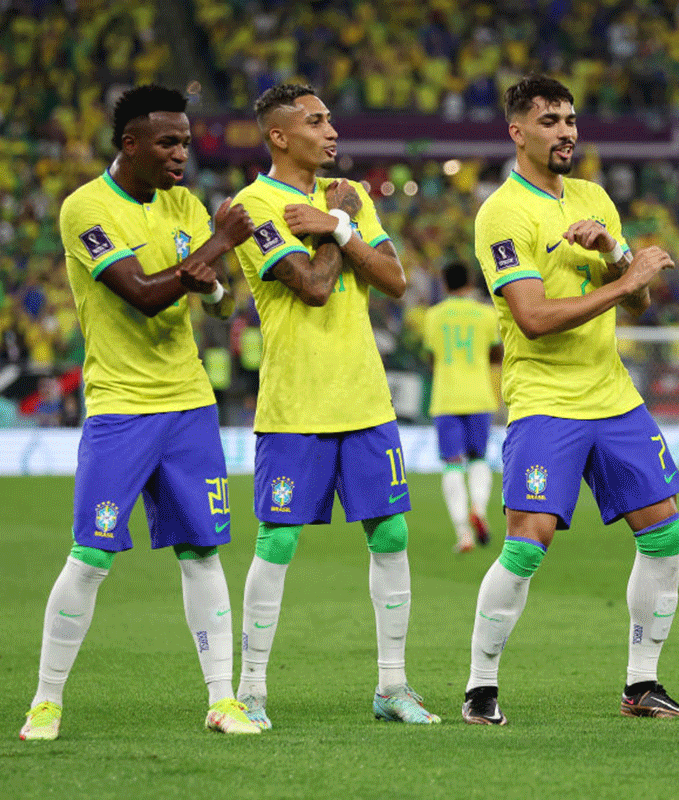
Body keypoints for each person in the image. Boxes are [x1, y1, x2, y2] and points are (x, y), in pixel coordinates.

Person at [19, 84, 257, 740]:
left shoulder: (182, 203)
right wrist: (219, 244)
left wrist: (214, 285)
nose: (183, 152)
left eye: (185, 139)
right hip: (121, 408)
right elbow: (144, 295)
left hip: (188, 406)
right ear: (131, 144)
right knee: (92, 555)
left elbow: (221, 303)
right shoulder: (86, 209)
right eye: (168, 142)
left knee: (202, 553)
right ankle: (46, 701)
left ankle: (221, 700)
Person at [463, 75, 679, 726]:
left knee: (665, 531)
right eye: (550, 121)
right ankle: (481, 688)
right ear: (518, 132)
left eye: (570, 119)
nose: (566, 131)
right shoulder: (504, 213)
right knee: (528, 543)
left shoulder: (593, 198)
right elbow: (532, 317)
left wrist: (618, 255)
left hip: (611, 394)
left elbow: (639, 295)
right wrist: (625, 283)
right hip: (544, 399)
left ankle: (642, 685)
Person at [228, 83, 439, 728]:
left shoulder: (346, 199)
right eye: (316, 122)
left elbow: (396, 280)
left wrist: (341, 223)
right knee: (279, 539)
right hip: (296, 405)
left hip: (366, 400)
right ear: (279, 136)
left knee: (393, 533)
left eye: (331, 120)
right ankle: (252, 691)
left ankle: (393, 688)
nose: (331, 131)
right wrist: (337, 231)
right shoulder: (251, 207)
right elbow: (317, 287)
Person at [422, 261, 502, 553]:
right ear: (469, 281)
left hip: (446, 397)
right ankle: (478, 509)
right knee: (479, 458)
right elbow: (496, 354)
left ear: (444, 283)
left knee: (452, 463)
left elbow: (431, 358)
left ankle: (463, 534)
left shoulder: (433, 316)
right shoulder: (486, 314)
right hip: (479, 396)